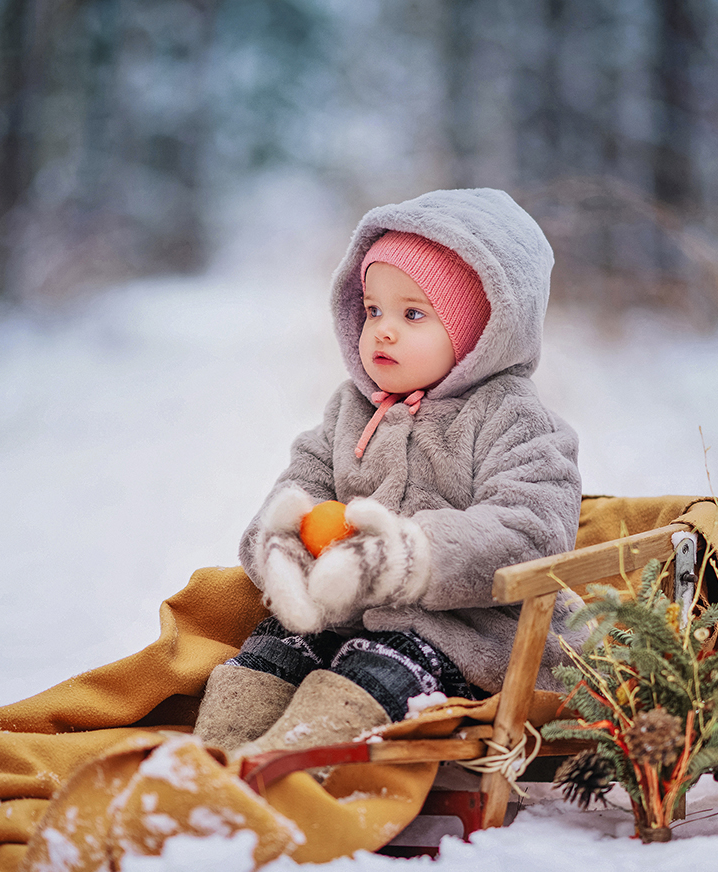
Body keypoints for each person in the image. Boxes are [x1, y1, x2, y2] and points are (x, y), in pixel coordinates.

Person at [192, 188, 584, 759]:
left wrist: (404, 557)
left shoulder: (515, 419)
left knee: (367, 678)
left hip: (468, 633)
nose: (383, 330)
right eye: (373, 310)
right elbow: (303, 483)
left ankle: (282, 773)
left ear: (481, 332)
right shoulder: (352, 408)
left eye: (413, 314)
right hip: (345, 613)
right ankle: (209, 765)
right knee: (268, 653)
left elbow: (531, 529)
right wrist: (280, 544)